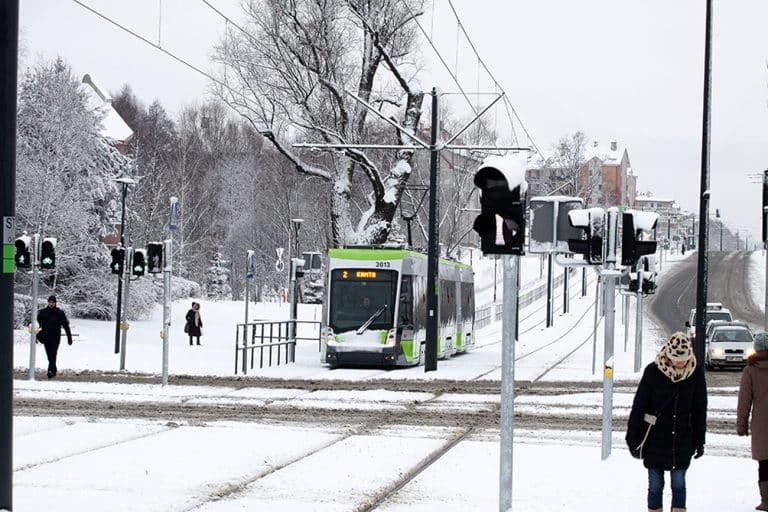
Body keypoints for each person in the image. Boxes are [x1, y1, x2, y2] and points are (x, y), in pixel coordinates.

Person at [626, 332, 707, 512]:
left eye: (684, 359)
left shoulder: (695, 373)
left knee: (679, 485)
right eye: (677, 359)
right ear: (668, 356)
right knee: (655, 486)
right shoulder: (653, 372)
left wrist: (699, 441)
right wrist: (632, 437)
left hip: (682, 440)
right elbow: (639, 406)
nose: (681, 363)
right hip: (655, 439)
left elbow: (700, 411)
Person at [737, 331, 768, 510]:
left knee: (764, 464)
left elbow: (744, 400)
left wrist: (741, 425)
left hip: (761, 426)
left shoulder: (750, 370)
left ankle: (766, 500)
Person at [36, 295, 73, 379]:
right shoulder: (42, 312)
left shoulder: (60, 313)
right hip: (45, 336)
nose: (51, 304)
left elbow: (65, 325)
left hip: (55, 337)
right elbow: (37, 325)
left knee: (53, 353)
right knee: (49, 355)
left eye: (53, 302)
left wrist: (69, 337)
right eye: (50, 302)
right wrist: (37, 336)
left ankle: (50, 370)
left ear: (55, 303)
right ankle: (54, 369)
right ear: (48, 302)